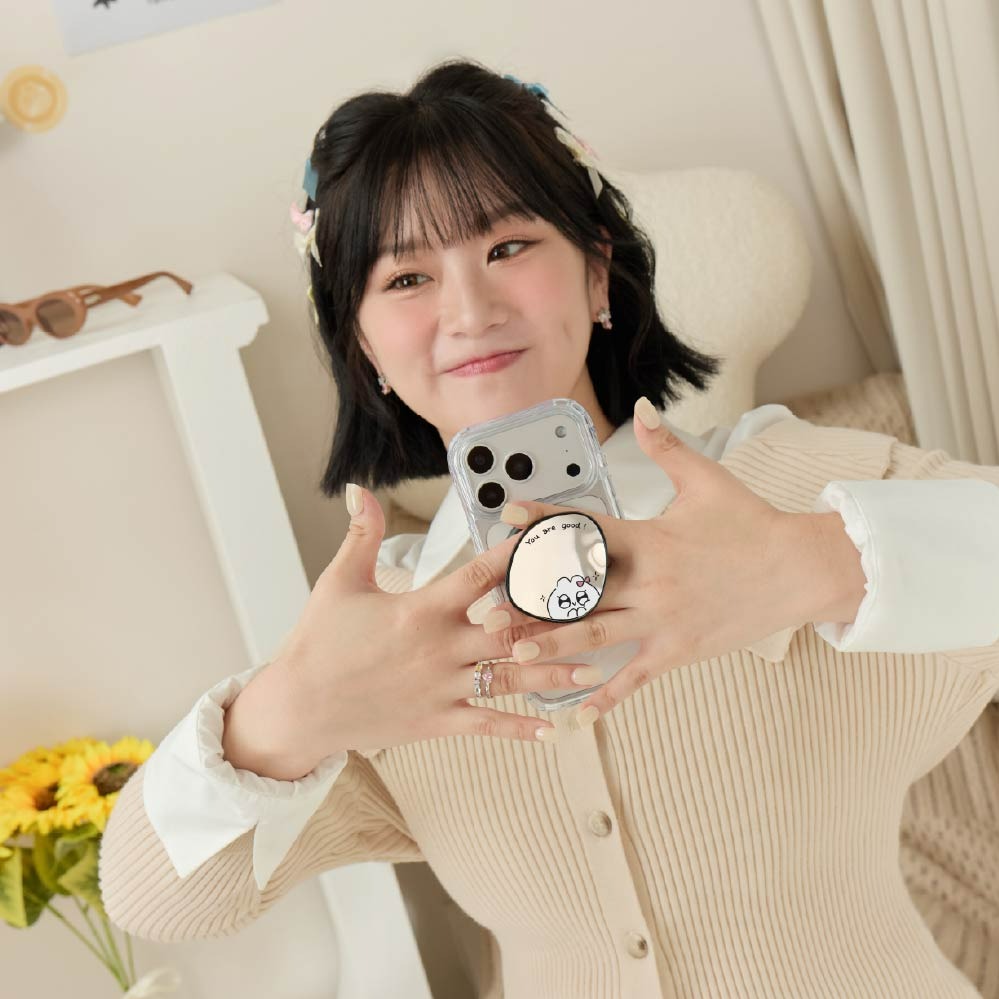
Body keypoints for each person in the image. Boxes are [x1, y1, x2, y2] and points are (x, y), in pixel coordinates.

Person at [98, 59, 999, 998]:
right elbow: (155, 897)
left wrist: (812, 565)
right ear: (363, 346)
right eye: (406, 276)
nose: (469, 311)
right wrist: (290, 712)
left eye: (507, 247)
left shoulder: (782, 488)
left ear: (596, 270)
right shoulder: (383, 639)